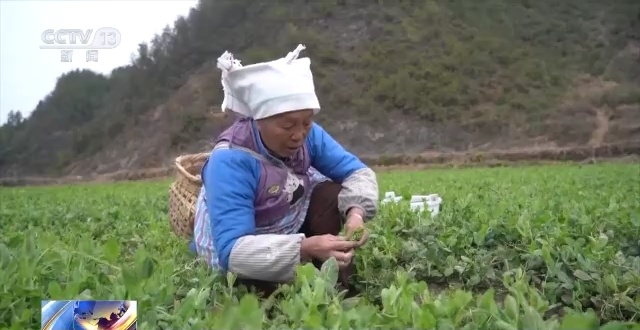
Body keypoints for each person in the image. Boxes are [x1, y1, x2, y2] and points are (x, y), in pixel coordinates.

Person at [188, 44, 379, 298]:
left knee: (332, 193)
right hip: (244, 240)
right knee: (260, 289)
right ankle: (300, 275)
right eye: (287, 125)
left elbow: (356, 172)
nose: (299, 134)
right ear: (259, 119)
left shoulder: (309, 135)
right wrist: (304, 248)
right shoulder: (231, 160)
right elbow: (234, 250)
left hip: (286, 218)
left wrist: (356, 214)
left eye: (306, 122)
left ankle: (337, 286)